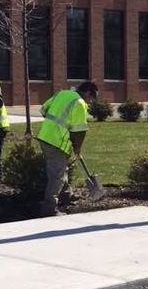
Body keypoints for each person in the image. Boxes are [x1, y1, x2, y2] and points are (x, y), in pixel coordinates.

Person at [36, 81, 98, 216]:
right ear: (87, 93)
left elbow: (44, 110)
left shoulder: (62, 93)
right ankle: (49, 208)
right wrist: (77, 149)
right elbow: (79, 131)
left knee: (62, 168)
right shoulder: (80, 103)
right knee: (56, 175)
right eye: (91, 97)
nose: (90, 101)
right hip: (56, 142)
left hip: (45, 136)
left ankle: (66, 195)